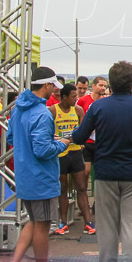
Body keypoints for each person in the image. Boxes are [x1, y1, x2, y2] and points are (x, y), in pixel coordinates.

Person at [69, 61, 132, 262]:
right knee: (131, 228)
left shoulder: (98, 106)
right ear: (131, 82)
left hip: (106, 173)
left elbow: (80, 136)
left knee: (107, 229)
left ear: (110, 83)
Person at [2, 68, 70, 262]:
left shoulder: (19, 108)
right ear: (47, 86)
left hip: (24, 175)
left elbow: (12, 136)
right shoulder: (42, 113)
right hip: (41, 177)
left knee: (33, 221)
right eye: (53, 87)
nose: (55, 92)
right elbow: (42, 150)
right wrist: (61, 143)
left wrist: (48, 139)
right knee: (42, 225)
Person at [50, 84, 93, 236]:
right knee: (63, 189)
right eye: (73, 96)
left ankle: (88, 222)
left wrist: (79, 141)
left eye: (76, 96)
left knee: (81, 187)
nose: (76, 99)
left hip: (75, 153)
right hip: (60, 155)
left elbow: (82, 131)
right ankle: (63, 222)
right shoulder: (53, 110)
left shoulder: (78, 110)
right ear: (64, 97)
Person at [77, 74, 109, 180]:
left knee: (101, 172)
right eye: (101, 85)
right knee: (86, 172)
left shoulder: (106, 101)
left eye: (105, 86)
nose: (103, 88)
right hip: (87, 141)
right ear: (94, 86)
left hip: (101, 141)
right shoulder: (83, 100)